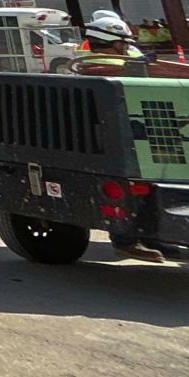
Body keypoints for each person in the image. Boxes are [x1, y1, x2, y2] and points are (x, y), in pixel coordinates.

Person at [72, 17, 160, 261]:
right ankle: (127, 240)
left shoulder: (86, 60)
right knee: (137, 185)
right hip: (119, 133)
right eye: (123, 42)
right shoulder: (116, 66)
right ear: (113, 41)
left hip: (99, 133)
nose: (126, 46)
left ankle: (150, 236)